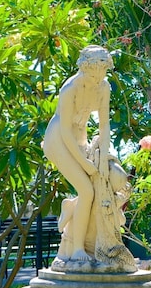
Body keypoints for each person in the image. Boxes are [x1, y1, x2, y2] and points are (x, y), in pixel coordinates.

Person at [43, 45, 113, 263]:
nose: (97, 80)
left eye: (101, 74)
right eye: (93, 75)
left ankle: (71, 207)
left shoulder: (104, 88)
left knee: (95, 186)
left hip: (79, 136)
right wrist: (85, 162)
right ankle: (76, 250)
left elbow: (104, 126)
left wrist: (103, 156)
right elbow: (64, 130)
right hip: (59, 139)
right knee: (86, 190)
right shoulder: (70, 89)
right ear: (84, 69)